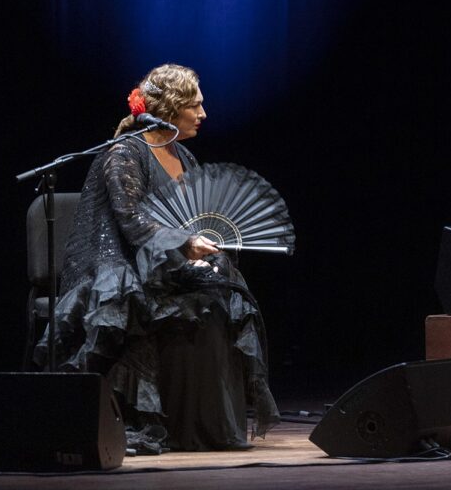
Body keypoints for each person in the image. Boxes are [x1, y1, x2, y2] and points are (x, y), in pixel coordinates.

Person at [34, 63, 280, 452]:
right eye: (195, 106)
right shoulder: (125, 153)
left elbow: (191, 219)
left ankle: (206, 429)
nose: (203, 114)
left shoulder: (184, 156)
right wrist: (184, 245)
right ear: (168, 109)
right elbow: (130, 221)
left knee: (220, 299)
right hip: (120, 266)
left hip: (165, 264)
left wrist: (196, 254)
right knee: (171, 310)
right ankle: (164, 425)